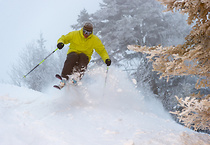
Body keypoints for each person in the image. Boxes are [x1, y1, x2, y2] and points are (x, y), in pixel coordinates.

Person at [57, 22, 111, 86]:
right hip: (73, 53)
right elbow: (64, 38)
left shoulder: (94, 40)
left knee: (83, 57)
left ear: (91, 32)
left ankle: (76, 78)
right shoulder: (75, 34)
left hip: (85, 56)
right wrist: (60, 43)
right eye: (85, 32)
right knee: (73, 56)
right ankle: (64, 77)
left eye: (89, 33)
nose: (86, 34)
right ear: (83, 30)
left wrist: (106, 59)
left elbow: (102, 51)